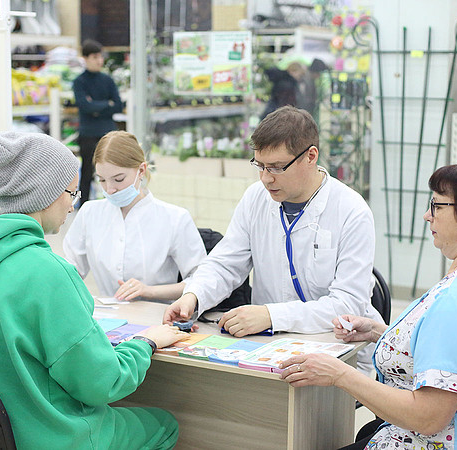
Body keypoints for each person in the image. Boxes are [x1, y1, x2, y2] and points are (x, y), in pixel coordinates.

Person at [0, 131, 187, 449]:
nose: (71, 206)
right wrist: (145, 343)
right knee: (164, 425)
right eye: (71, 193)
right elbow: (102, 383)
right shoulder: (48, 272)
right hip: (49, 436)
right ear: (47, 193)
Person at [280, 160, 457, 449]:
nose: (427, 216)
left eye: (437, 206)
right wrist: (379, 332)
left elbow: (428, 418)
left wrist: (339, 374)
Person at [163, 106, 383, 373]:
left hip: (336, 353)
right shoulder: (255, 198)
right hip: (266, 346)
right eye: (260, 166)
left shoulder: (351, 211)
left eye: (277, 167)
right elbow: (225, 264)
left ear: (310, 156)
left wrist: (271, 316)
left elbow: (347, 305)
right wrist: (193, 296)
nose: (266, 178)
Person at [63, 130, 207, 301]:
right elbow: (68, 272)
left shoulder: (175, 218)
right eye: (102, 180)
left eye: (118, 179)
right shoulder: (90, 213)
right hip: (107, 315)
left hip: (158, 314)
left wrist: (149, 291)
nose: (110, 189)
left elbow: (202, 281)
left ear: (141, 170)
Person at [73, 39, 123, 205]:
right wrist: (106, 104)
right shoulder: (79, 81)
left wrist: (95, 106)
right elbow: (84, 106)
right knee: (87, 172)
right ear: (85, 58)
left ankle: (114, 202)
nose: (99, 60)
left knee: (114, 170)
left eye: (100, 56)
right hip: (88, 133)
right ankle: (83, 206)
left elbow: (118, 106)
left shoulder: (107, 80)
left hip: (108, 133)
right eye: (95, 57)